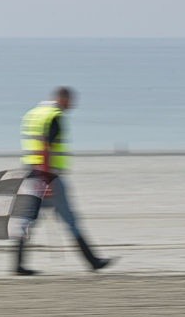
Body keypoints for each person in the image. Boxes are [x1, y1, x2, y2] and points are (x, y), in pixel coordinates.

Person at [15, 87, 113, 275]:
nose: (73, 105)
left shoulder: (34, 114)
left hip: (30, 171)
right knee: (69, 219)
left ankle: (17, 265)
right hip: (48, 174)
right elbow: (45, 147)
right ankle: (93, 262)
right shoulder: (55, 117)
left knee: (28, 220)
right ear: (63, 99)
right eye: (71, 100)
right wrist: (47, 180)